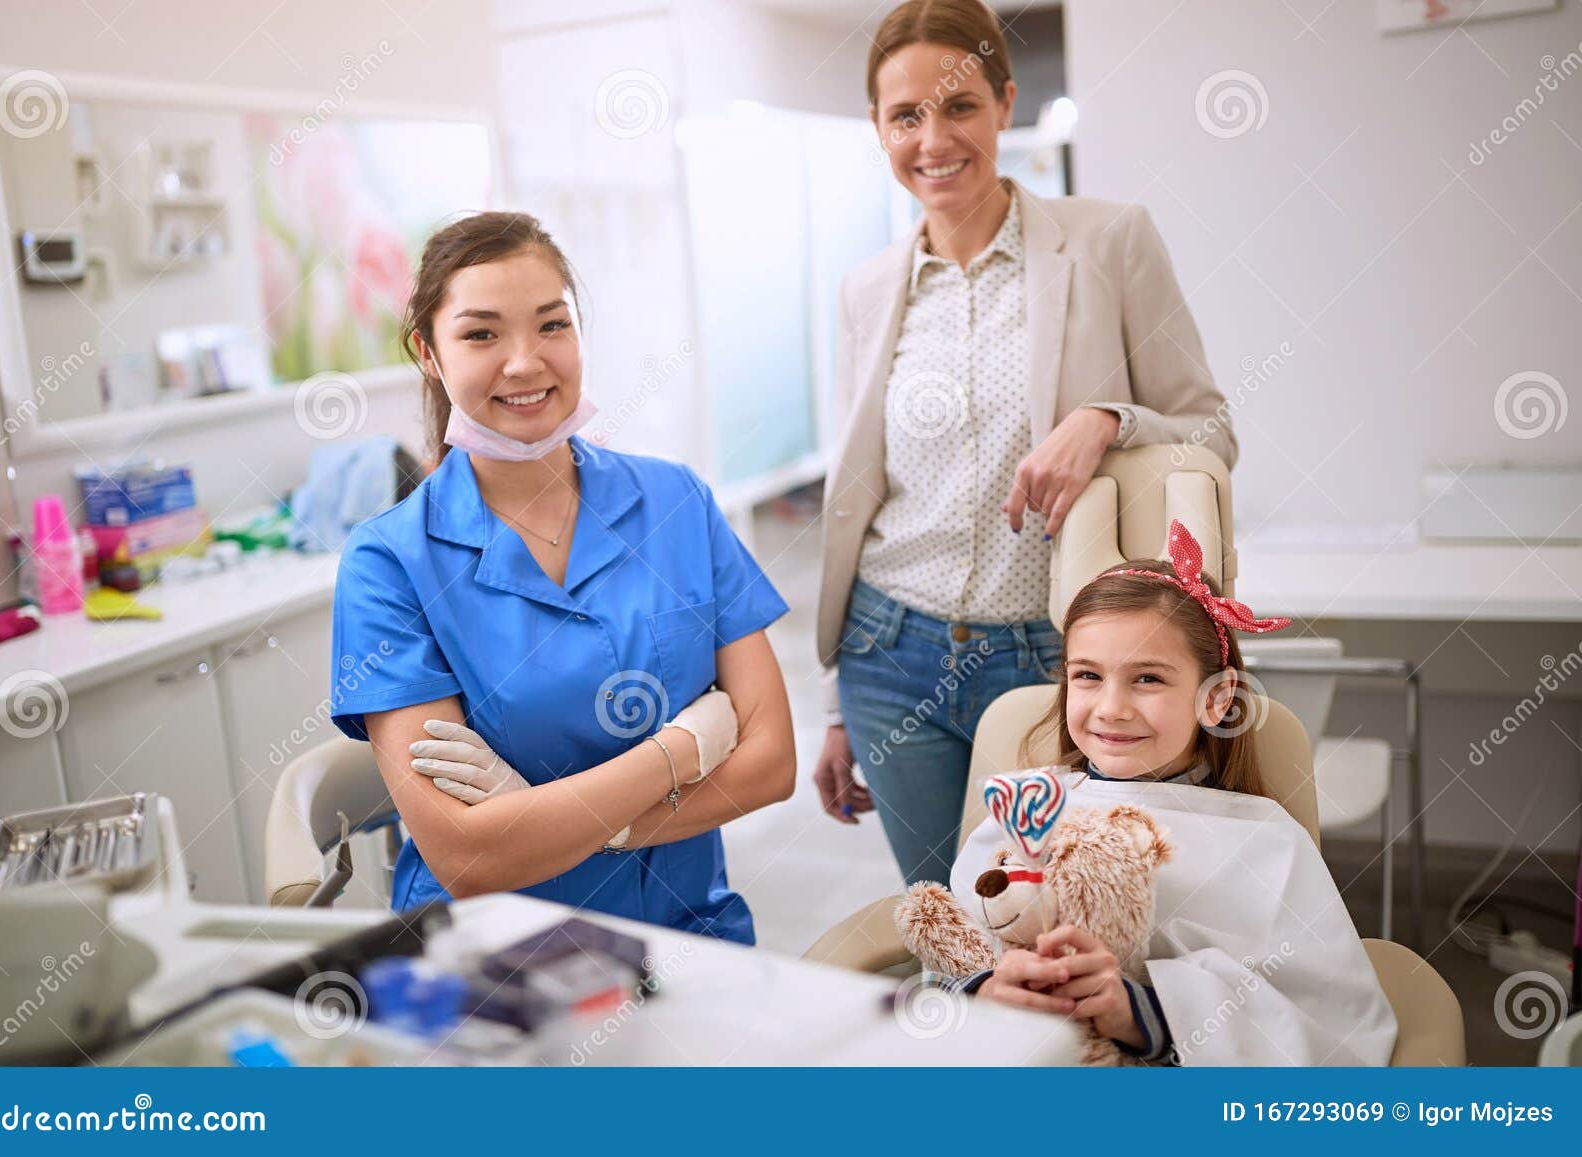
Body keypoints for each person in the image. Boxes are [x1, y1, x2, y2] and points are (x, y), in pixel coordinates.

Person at [814, 0, 1240, 890]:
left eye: (960, 106)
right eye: (906, 115)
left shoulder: (1108, 242)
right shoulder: (865, 290)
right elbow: (857, 500)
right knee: (948, 920)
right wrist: (835, 707)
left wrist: (1107, 421)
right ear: (877, 127)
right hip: (888, 653)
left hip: (1059, 660)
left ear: (1005, 103)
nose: (934, 138)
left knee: (1074, 918)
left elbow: (1210, 430)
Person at [329, 211, 794, 944]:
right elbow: (469, 857)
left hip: (691, 935)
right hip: (496, 961)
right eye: (481, 334)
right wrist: (684, 747)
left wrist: (559, 823)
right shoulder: (388, 563)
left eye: (552, 325)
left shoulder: (676, 502)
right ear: (428, 351)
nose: (525, 362)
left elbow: (771, 762)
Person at [949, 521, 1397, 1065]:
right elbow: (951, 956)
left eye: (1148, 679)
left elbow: (1330, 1020)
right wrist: (986, 993)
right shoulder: (1020, 816)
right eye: (1088, 675)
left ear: (1216, 697)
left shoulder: (1265, 843)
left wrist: (1142, 1011)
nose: (1111, 707)